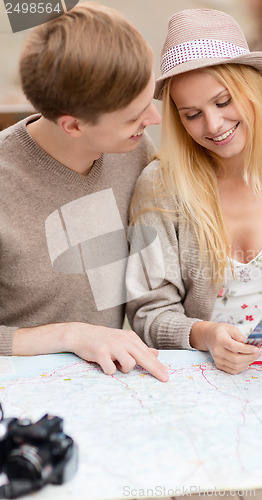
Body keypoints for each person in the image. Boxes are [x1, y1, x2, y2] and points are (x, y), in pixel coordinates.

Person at [126, 8, 262, 375]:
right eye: (192, 114)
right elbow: (148, 311)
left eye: (223, 102)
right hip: (199, 378)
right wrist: (206, 334)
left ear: (250, 88)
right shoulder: (159, 185)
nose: (214, 125)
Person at [0, 3, 169, 382]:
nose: (154, 119)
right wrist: (71, 334)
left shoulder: (134, 150)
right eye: (134, 115)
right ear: (73, 126)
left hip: (106, 388)